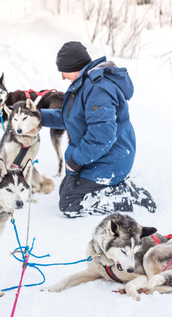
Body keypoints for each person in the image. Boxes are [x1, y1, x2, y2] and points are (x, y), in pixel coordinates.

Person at [41, 41, 156, 218]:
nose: (63, 77)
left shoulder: (98, 89)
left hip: (111, 158)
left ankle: (128, 197)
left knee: (69, 204)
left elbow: (102, 136)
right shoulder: (85, 84)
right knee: (65, 190)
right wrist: (37, 117)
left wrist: (76, 161)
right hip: (98, 155)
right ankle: (116, 186)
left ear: (74, 67)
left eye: (63, 70)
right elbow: (72, 119)